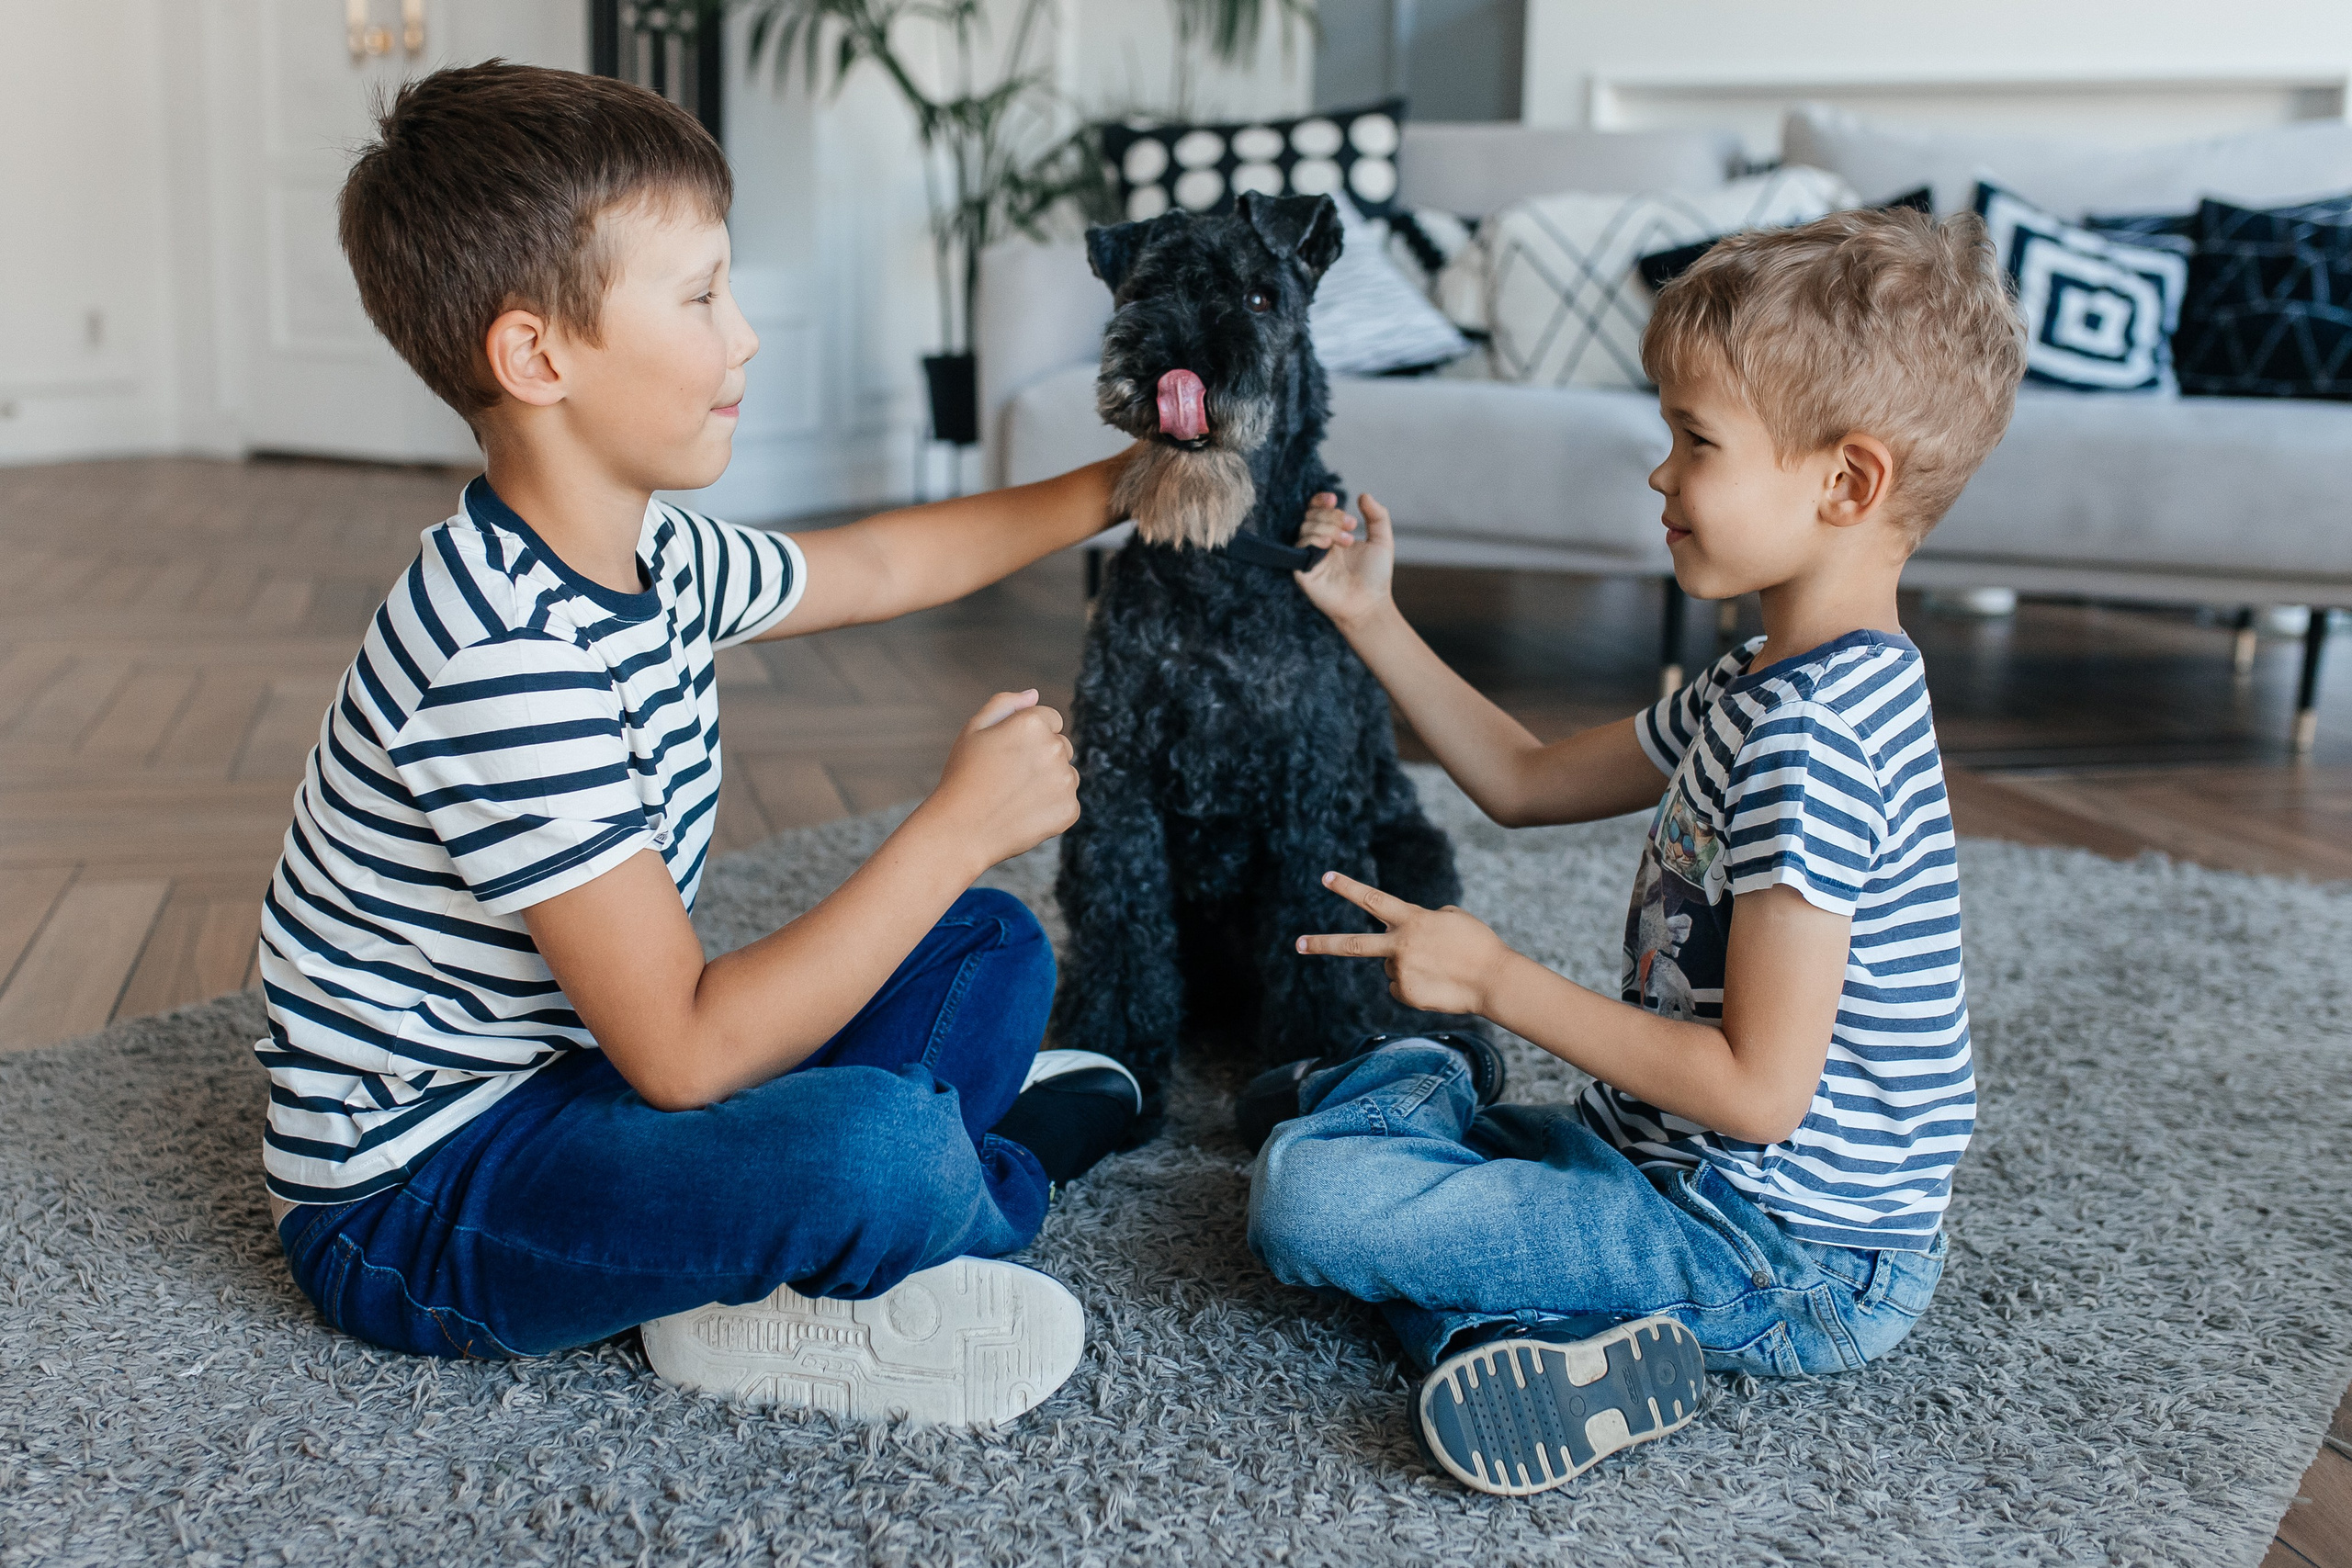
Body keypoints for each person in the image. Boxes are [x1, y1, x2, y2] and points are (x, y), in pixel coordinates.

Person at [255, 61, 1139, 1427]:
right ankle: (972, 1194)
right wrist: (955, 819)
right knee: (879, 1152)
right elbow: (678, 1050)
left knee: (990, 944)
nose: (746, 337)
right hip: (422, 1196)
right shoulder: (500, 657)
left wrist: (1120, 485)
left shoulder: (649, 547)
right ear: (538, 355)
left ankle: (822, 1238)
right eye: (702, 296)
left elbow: (885, 562)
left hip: (576, 1072)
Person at [1245, 206, 2026, 1495]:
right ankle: (1471, 1234)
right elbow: (1524, 779)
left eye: (1695, 442)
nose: (1660, 475)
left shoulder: (1816, 744)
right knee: (1390, 1183)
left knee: (1307, 1206)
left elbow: (1757, 1093)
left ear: (1847, 483)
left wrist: (1500, 983)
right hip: (1665, 1166)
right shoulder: (1761, 681)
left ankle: (1431, 1149)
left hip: (1790, 1257)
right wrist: (1373, 619)